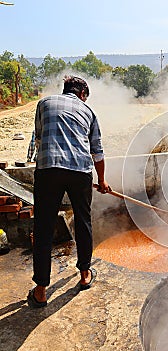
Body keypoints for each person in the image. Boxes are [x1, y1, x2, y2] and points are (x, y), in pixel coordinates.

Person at [27, 76, 111, 308]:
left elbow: (39, 138)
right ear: (83, 93)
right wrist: (102, 181)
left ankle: (41, 290)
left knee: (43, 227)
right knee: (83, 222)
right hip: (80, 171)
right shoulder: (89, 112)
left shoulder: (43, 104)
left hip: (48, 169)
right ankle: (85, 275)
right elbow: (98, 152)